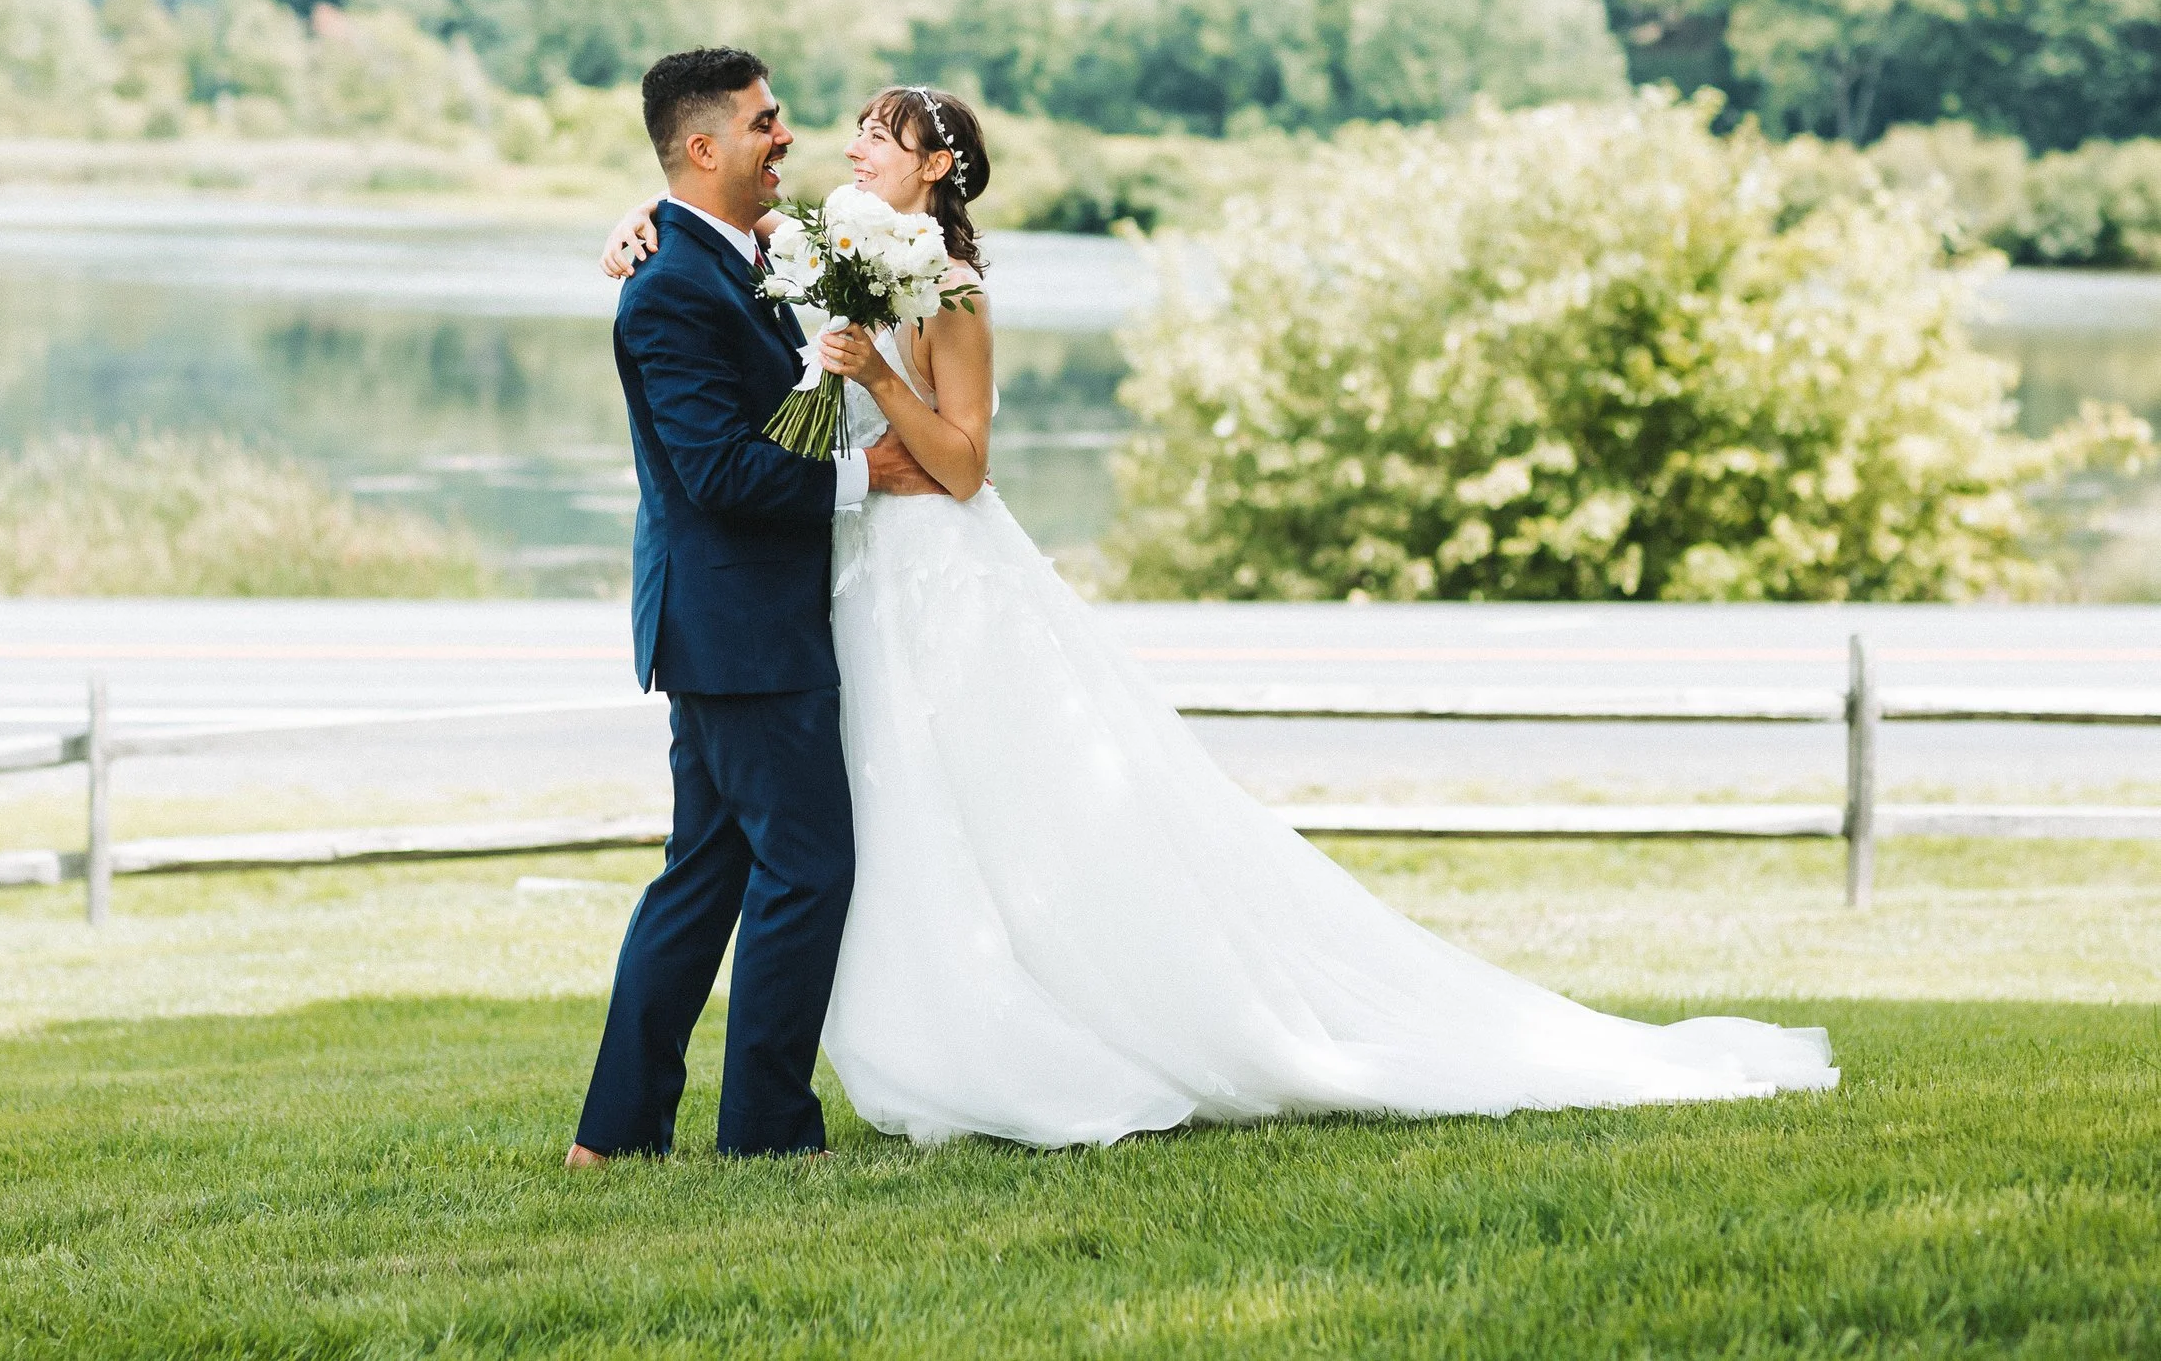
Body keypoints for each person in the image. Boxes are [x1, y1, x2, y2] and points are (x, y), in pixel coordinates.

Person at [594, 80, 1838, 1149]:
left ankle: (1040, 1032)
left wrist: (870, 391)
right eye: (815, 126)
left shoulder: (949, 286)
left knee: (971, 811)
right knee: (874, 827)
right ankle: (810, 1078)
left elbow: (963, 465)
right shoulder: (801, 247)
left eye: (878, 130)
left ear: (939, 167)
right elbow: (723, 273)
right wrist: (645, 224)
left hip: (928, 570)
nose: (830, 140)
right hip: (839, 582)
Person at [567, 48, 945, 1168]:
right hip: (738, 629)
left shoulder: (744, 253)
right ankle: (768, 1131)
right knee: (807, 865)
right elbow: (719, 474)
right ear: (703, 146)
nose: (788, 136)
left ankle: (617, 1133)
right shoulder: (671, 289)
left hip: (749, 621)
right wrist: (863, 477)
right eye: (764, 122)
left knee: (708, 874)